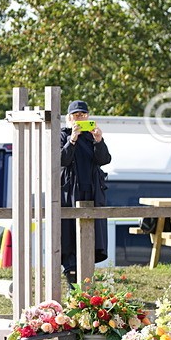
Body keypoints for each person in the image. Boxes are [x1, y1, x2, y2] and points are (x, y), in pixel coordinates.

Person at [60, 100, 111, 284]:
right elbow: (62, 160)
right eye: (76, 115)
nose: (79, 118)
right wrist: (72, 139)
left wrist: (99, 140)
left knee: (92, 236)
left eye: (83, 115)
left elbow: (105, 160)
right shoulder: (63, 135)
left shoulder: (92, 136)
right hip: (70, 193)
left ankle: (87, 279)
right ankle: (72, 280)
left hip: (92, 192)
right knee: (69, 236)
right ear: (69, 118)